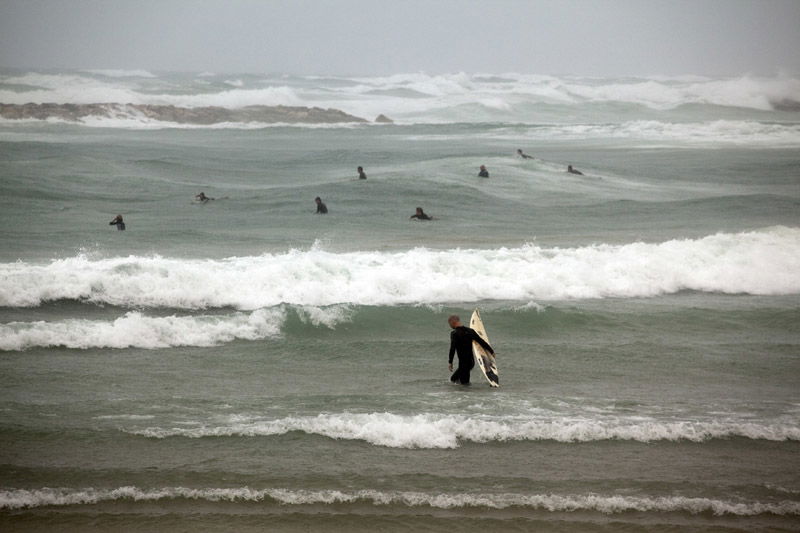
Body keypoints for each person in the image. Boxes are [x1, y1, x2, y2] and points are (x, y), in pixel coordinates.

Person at [447, 314, 494, 385]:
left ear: (453, 322)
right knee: (455, 379)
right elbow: (481, 341)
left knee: (463, 383)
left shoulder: (454, 333)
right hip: (471, 362)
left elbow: (452, 349)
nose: (450, 326)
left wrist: (450, 362)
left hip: (463, 364)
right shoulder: (470, 331)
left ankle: (468, 394)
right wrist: (491, 351)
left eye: (449, 324)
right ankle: (468, 394)